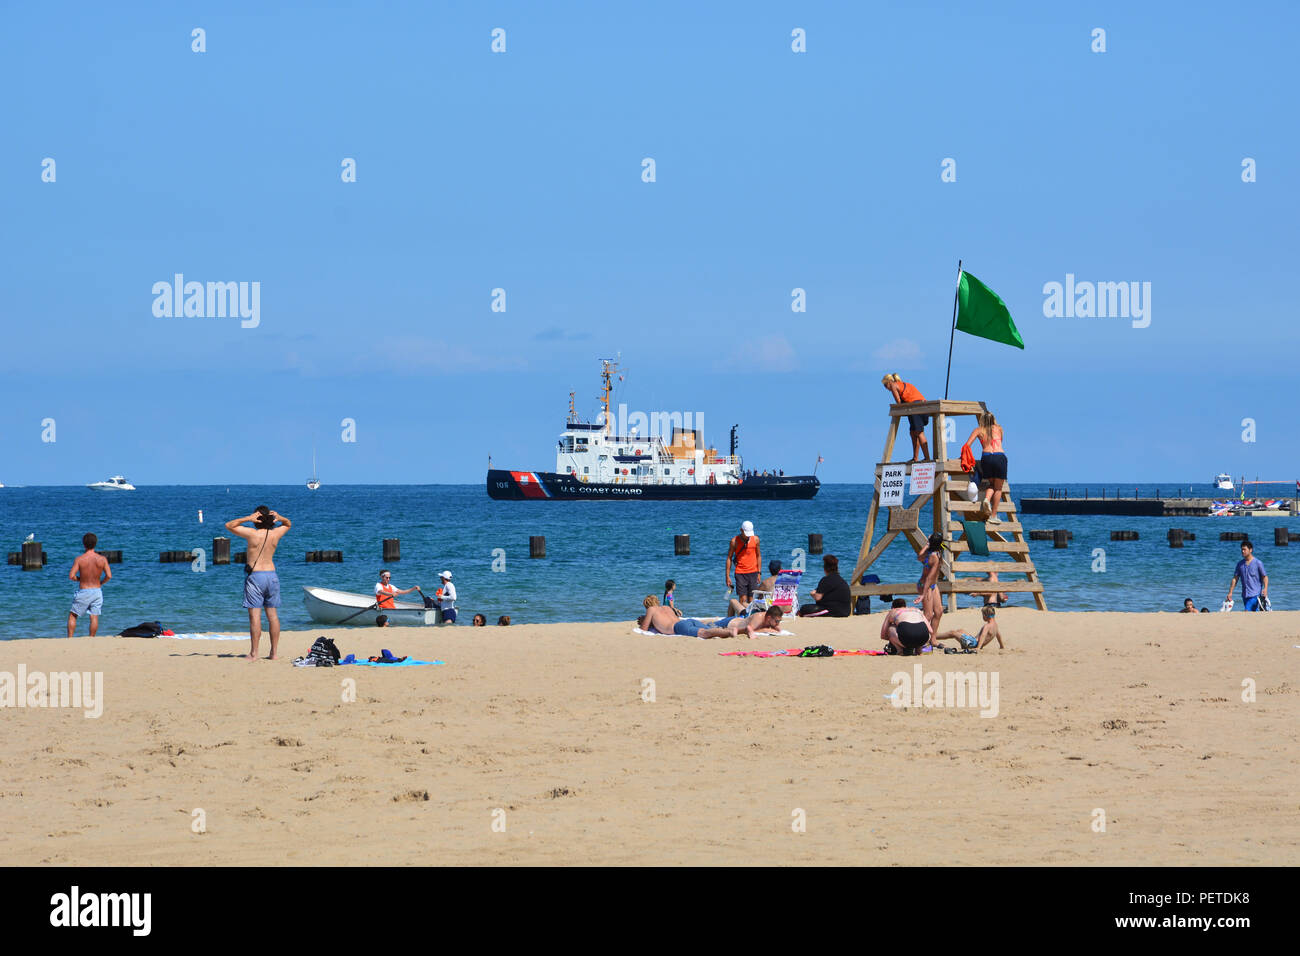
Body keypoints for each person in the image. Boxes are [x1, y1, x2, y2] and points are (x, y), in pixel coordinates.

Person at [225, 506, 291, 660]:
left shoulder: (252, 534)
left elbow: (229, 525)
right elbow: (288, 524)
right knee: (273, 616)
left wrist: (248, 518)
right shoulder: (275, 533)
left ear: (257, 519)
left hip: (256, 577)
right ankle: (274, 653)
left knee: (255, 616)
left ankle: (254, 653)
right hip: (272, 575)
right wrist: (280, 517)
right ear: (270, 519)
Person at [965, 411, 1008, 524]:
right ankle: (993, 516)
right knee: (998, 488)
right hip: (999, 457)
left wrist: (964, 457)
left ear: (982, 421)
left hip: (986, 457)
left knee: (991, 484)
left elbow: (967, 445)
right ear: (993, 419)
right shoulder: (999, 428)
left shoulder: (979, 430)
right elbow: (1000, 442)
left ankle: (987, 499)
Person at [67, 532, 111, 637]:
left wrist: (81, 579)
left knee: (73, 615)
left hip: (84, 590)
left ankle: (70, 638)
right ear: (95, 544)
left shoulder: (80, 559)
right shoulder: (102, 559)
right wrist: (100, 582)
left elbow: (71, 576)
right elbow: (109, 576)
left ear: (84, 544)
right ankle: (91, 638)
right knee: (94, 616)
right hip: (97, 591)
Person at [882, 373, 931, 462]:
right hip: (918, 407)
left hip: (916, 407)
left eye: (885, 385)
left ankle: (927, 458)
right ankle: (915, 458)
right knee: (913, 432)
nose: (886, 388)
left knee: (919, 433)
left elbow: (899, 403)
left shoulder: (893, 385)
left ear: (889, 382)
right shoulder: (904, 384)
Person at [934, 605, 1005, 652]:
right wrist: (1002, 646)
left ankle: (934, 637)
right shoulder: (995, 625)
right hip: (973, 641)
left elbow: (983, 636)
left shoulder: (987, 626)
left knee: (952, 633)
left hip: (973, 644)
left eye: (983, 615)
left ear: (986, 616)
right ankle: (964, 646)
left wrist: (978, 648)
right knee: (960, 630)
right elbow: (998, 636)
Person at [725, 520, 762, 606]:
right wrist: (727, 576)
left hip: (753, 572)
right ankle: (742, 617)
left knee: (751, 599)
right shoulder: (734, 541)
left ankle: (750, 618)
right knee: (743, 599)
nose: (748, 536)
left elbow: (758, 556)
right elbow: (729, 558)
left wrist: (759, 572)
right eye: (746, 533)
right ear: (741, 530)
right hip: (740, 573)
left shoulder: (756, 539)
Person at [1224, 540, 1269, 611]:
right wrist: (1230, 592)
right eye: (1241, 549)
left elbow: (1265, 577)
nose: (1242, 551)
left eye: (1244, 549)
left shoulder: (1258, 563)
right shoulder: (1240, 564)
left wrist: (1265, 588)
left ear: (1250, 550)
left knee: (1246, 611)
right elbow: (1235, 579)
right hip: (1245, 595)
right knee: (1253, 613)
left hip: (1255, 595)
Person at [915, 533, 944, 633]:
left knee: (939, 612)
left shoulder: (933, 552)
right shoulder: (933, 556)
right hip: (925, 586)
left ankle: (933, 639)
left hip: (932, 585)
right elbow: (929, 578)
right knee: (928, 615)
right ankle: (920, 641)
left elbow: (919, 557)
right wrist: (923, 594)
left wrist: (927, 544)